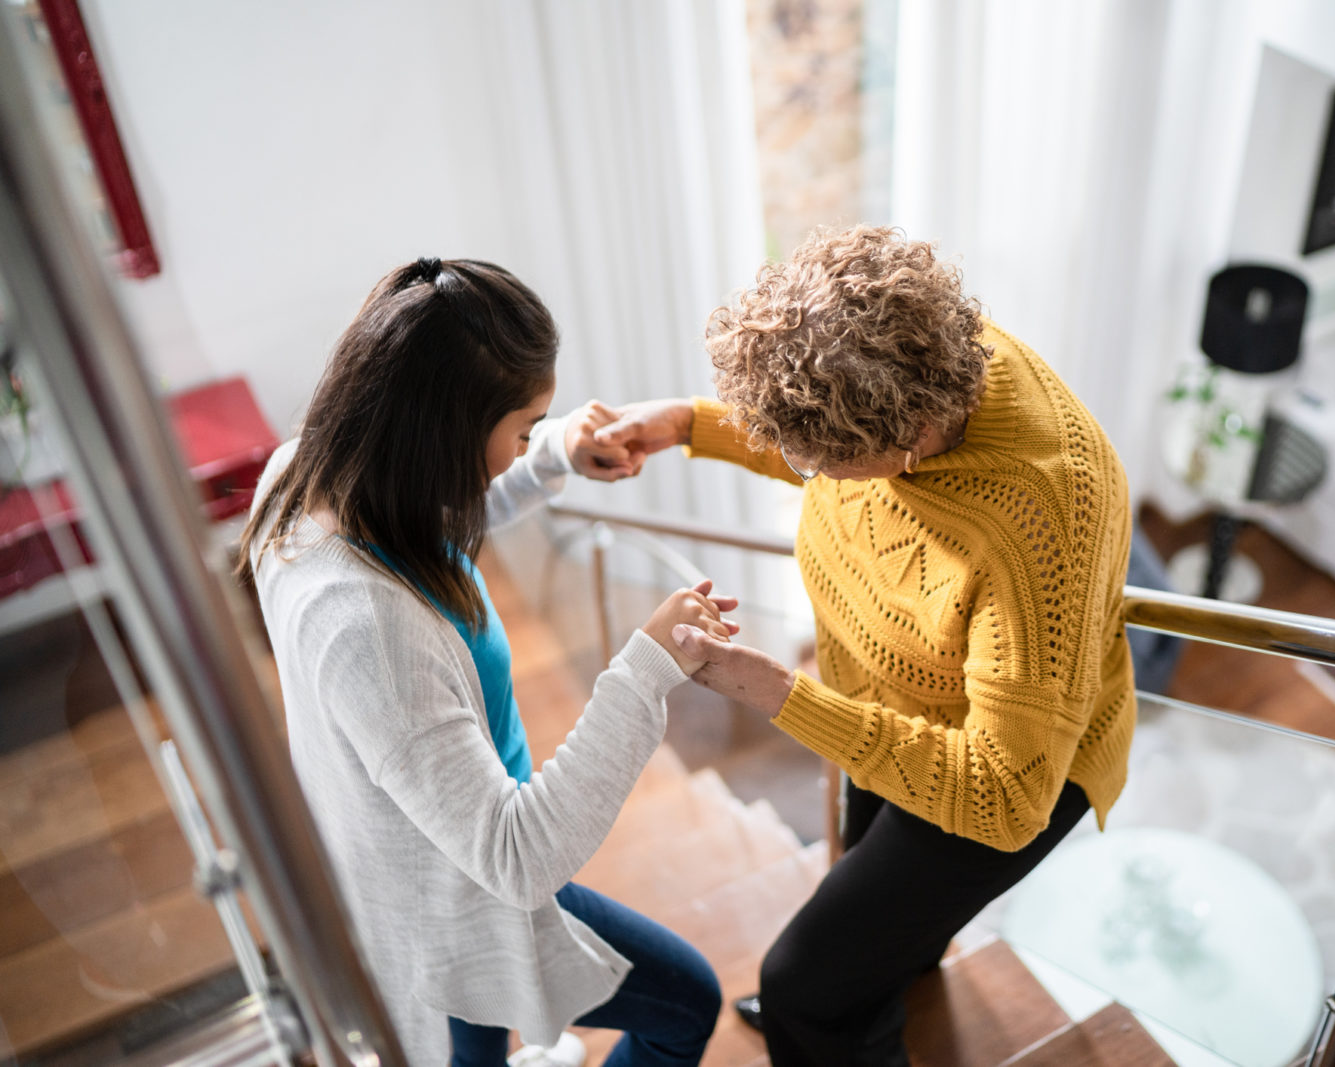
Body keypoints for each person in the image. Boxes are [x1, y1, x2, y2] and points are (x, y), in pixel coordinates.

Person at [594, 226, 1137, 1065]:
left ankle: (835, 1014)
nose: (800, 471)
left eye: (817, 466)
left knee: (805, 984)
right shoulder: (924, 359)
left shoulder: (1042, 519)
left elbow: (1003, 795)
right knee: (874, 926)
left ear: (908, 439)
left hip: (1007, 766)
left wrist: (782, 695)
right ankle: (879, 978)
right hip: (888, 704)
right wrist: (687, 425)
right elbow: (828, 425)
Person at [239, 257, 728, 1067]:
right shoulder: (370, 630)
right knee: (687, 1002)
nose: (524, 445)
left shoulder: (300, 478)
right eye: (522, 428)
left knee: (473, 1045)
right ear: (446, 437)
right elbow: (515, 853)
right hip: (459, 892)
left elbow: (430, 527)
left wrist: (553, 458)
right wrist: (643, 670)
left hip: (431, 854)